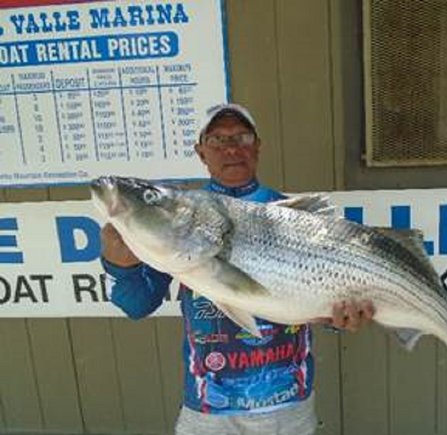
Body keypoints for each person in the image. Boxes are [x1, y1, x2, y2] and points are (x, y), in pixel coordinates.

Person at [100, 103, 375, 435]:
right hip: (208, 408)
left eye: (242, 136)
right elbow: (137, 305)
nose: (231, 148)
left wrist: (340, 319)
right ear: (200, 152)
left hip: (288, 406)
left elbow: (323, 299)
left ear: (257, 145)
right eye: (217, 139)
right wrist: (122, 266)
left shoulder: (299, 218)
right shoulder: (179, 219)